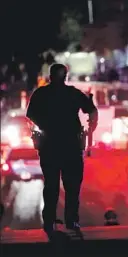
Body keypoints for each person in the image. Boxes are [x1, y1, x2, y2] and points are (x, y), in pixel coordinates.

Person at [26, 64, 98, 233]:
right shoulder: (73, 93)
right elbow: (92, 111)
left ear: (50, 76)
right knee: (72, 186)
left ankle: (49, 221)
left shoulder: (41, 93)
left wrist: (45, 125)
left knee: (51, 185)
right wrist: (91, 129)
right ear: (66, 76)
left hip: (49, 146)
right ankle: (71, 221)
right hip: (71, 146)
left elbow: (30, 115)